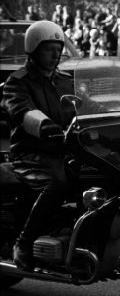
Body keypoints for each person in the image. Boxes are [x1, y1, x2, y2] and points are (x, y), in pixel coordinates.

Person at [1, 20, 76, 269]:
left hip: (65, 151)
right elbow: (22, 110)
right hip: (31, 155)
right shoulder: (17, 82)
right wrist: (44, 126)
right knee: (57, 183)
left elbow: (91, 107)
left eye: (59, 48)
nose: (56, 54)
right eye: (49, 49)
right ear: (33, 50)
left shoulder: (66, 80)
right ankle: (23, 243)